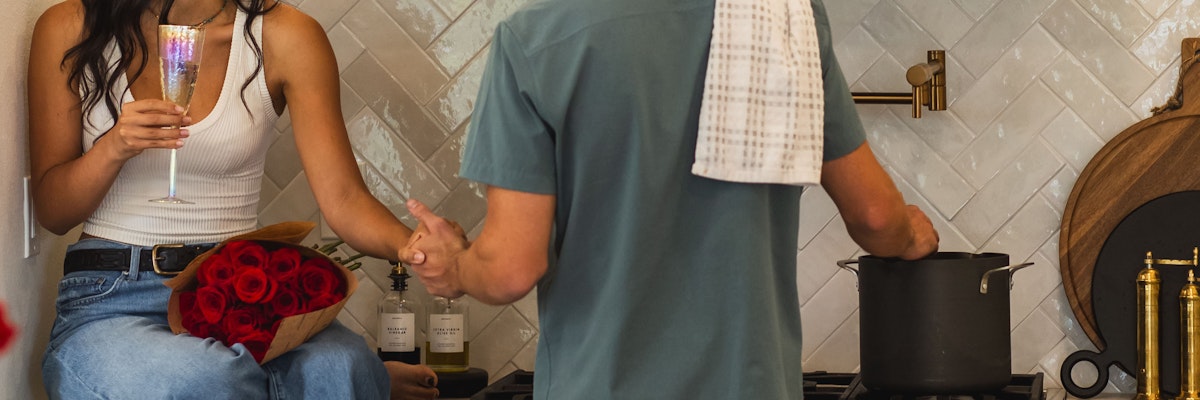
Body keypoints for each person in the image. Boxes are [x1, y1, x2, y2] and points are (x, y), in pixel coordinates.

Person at [398, 0, 939, 398]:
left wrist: (457, 267)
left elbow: (512, 269)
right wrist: (910, 233)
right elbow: (875, 216)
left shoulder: (536, 40)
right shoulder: (784, 20)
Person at [28, 0, 437, 398]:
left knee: (343, 365)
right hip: (112, 297)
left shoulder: (284, 35)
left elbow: (345, 198)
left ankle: (353, 379)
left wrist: (410, 246)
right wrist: (113, 146)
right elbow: (53, 212)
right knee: (206, 380)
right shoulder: (71, 26)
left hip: (241, 293)